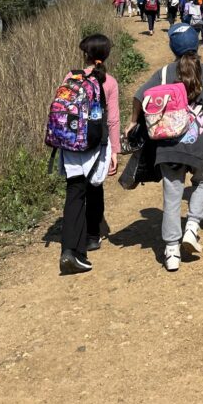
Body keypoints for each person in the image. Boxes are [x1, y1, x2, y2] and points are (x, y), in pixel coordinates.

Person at [126, 24, 203, 272]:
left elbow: (139, 96)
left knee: (172, 193)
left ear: (172, 47)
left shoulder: (164, 73)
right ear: (197, 44)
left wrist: (133, 121)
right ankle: (192, 226)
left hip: (168, 143)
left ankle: (171, 251)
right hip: (200, 142)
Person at [58, 33, 120, 275]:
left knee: (74, 192)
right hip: (96, 145)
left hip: (70, 142)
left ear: (85, 55)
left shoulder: (71, 77)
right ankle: (92, 236)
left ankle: (69, 250)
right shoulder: (110, 82)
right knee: (95, 186)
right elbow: (112, 120)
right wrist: (115, 150)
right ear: (106, 55)